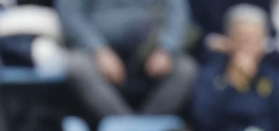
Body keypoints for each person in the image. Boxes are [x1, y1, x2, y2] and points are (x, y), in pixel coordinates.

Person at [58, 0, 199, 122]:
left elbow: (177, 12)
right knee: (77, 65)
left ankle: (148, 127)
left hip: (148, 50)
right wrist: (99, 50)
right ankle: (127, 127)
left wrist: (167, 49)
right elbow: (70, 16)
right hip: (97, 52)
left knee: (185, 68)